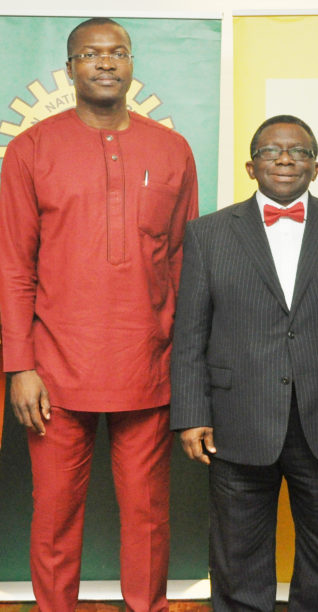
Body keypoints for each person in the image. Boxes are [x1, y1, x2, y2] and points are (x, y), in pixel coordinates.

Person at [0, 17, 198, 612]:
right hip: (54, 372)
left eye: (117, 53)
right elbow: (12, 265)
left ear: (132, 65)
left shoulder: (171, 149)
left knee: (147, 517)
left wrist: (185, 364)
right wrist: (20, 367)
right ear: (71, 69)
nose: (106, 63)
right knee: (56, 516)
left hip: (150, 364)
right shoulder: (31, 149)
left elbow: (185, 263)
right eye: (91, 54)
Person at [170, 114, 318, 611]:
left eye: (299, 151)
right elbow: (189, 333)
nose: (286, 158)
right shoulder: (207, 234)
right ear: (251, 167)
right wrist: (192, 414)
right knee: (237, 551)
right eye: (272, 151)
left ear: (316, 168)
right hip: (236, 419)